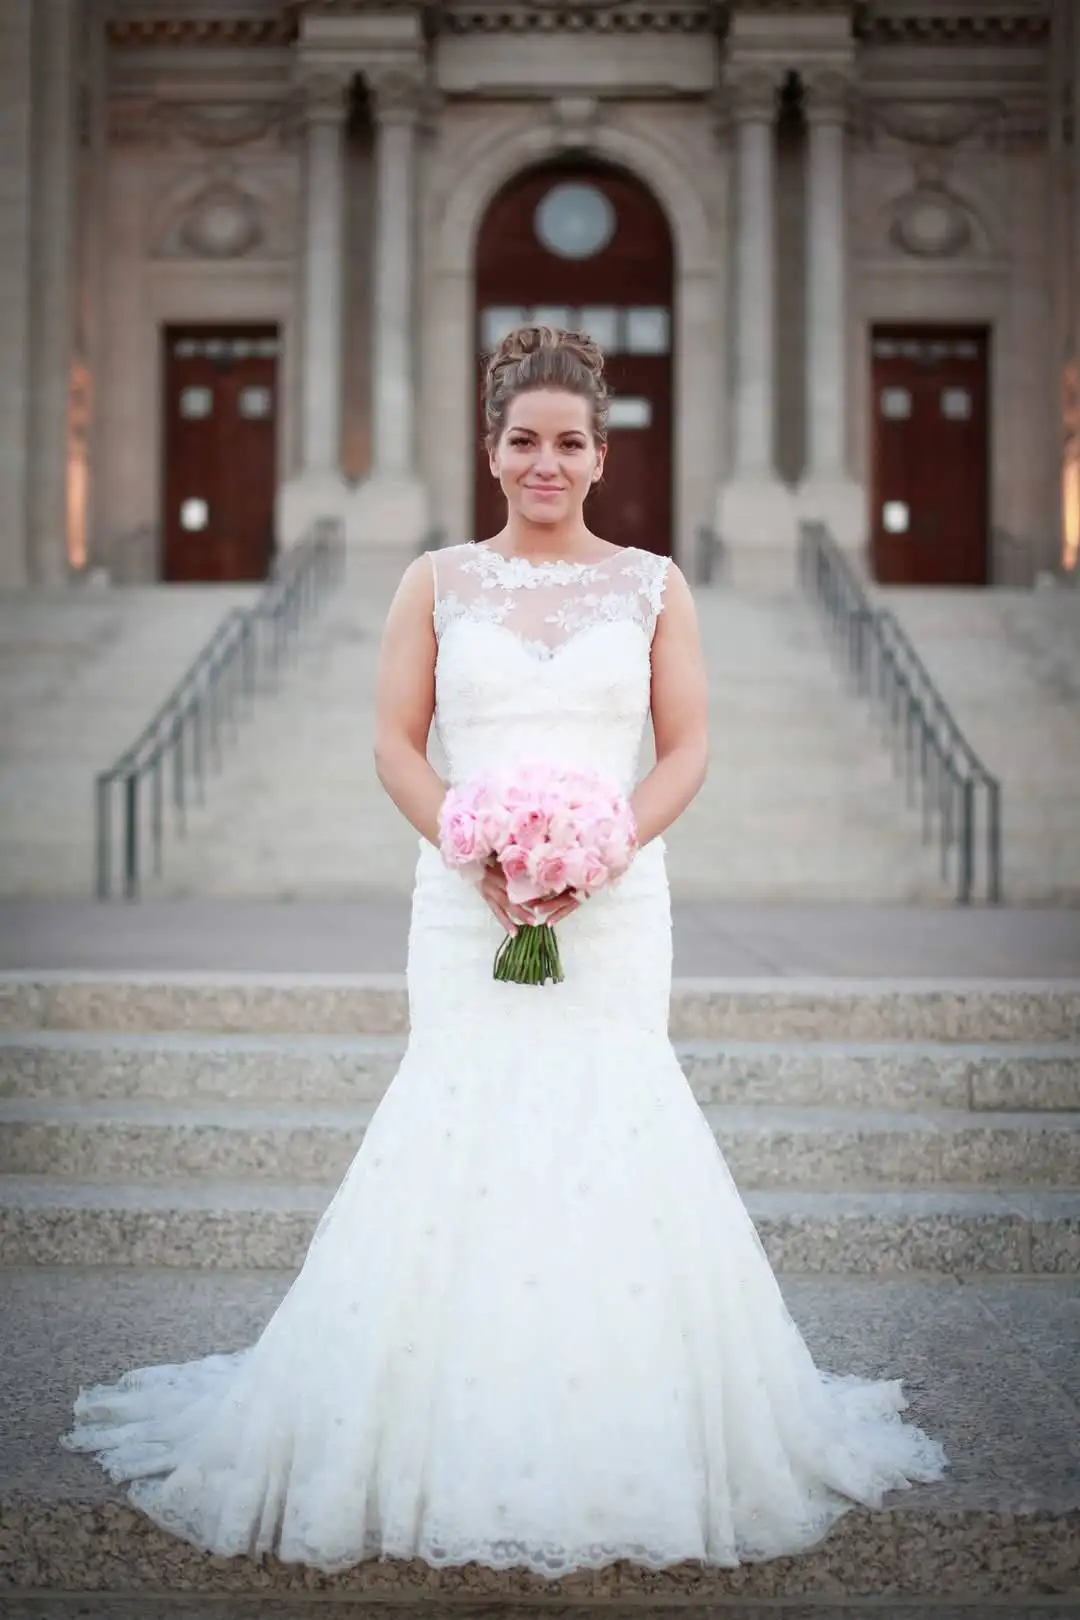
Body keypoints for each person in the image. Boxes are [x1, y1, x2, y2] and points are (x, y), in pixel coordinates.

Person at [60, 324, 948, 1577]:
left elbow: (686, 746)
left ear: (600, 456)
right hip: (460, 894)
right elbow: (394, 741)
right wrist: (472, 851)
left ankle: (622, 1418)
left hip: (617, 900)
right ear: (492, 454)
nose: (546, 461)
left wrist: (604, 850)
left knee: (613, 1116)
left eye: (569, 442)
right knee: (459, 1115)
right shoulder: (435, 581)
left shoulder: (652, 586)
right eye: (523, 441)